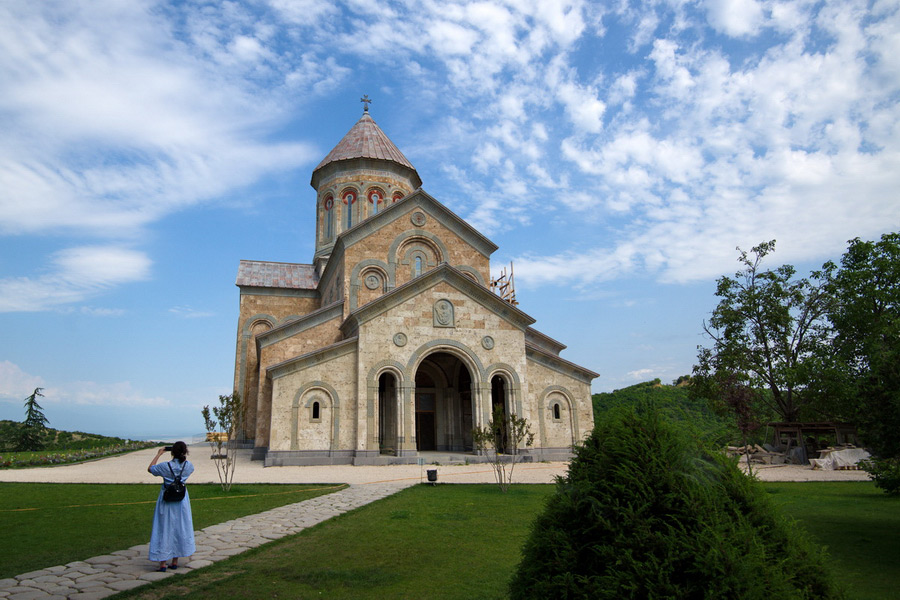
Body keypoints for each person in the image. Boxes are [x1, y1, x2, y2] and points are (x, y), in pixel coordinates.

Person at [147, 441, 196, 571]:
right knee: (179, 528)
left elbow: (150, 468)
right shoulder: (188, 466)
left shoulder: (165, 466)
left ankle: (162, 562)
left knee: (164, 528)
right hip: (181, 501)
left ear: (172, 452)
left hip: (166, 500)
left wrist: (159, 454)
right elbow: (187, 471)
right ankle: (175, 561)